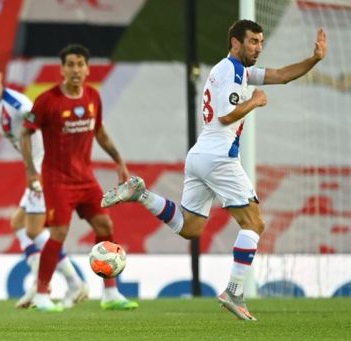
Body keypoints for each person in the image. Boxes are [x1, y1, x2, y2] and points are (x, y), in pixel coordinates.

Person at [102, 20, 327, 321]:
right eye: (253, 42)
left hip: (200, 156)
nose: (259, 48)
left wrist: (314, 59)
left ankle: (141, 194)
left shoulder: (239, 71)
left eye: (261, 42)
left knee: (189, 228)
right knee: (254, 224)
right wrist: (255, 101)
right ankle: (234, 290)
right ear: (235, 42)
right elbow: (225, 117)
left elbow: (282, 75)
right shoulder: (232, 71)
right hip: (220, 157)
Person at [21, 44, 138, 312]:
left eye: (80, 64)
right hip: (56, 179)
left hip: (85, 179)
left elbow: (100, 133)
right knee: (59, 232)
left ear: (87, 68)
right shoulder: (47, 100)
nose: (75, 69)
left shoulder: (93, 96)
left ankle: (110, 294)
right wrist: (31, 171)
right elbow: (26, 133)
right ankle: (41, 295)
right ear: (62, 69)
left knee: (105, 226)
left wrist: (119, 161)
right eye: (70, 64)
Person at [0, 56, 89, 309]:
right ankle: (58, 284)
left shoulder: (17, 104)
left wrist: (43, 168)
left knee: (34, 230)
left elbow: (45, 120)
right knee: (18, 224)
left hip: (45, 169)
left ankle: (64, 284)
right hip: (37, 168)